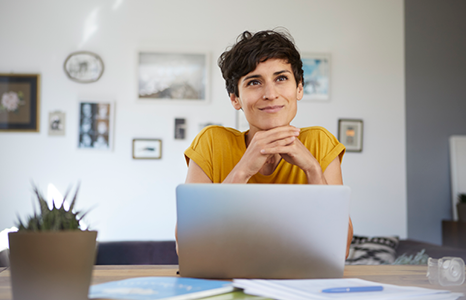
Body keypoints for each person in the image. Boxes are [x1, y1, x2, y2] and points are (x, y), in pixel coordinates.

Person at [177, 29, 353, 257]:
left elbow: (341, 248)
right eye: (254, 82)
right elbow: (187, 247)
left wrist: (313, 170)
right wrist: (242, 171)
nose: (270, 94)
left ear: (299, 88)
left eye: (281, 78)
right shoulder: (211, 143)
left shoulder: (320, 142)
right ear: (235, 98)